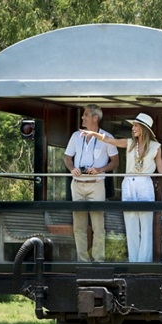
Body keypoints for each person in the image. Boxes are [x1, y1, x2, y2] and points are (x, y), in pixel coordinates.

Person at [82, 113, 162, 262]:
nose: (133, 128)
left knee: (145, 225)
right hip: (129, 183)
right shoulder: (130, 143)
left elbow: (161, 170)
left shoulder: (156, 147)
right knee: (131, 225)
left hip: (145, 184)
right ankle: (134, 262)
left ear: (143, 128)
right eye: (133, 126)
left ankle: (144, 262)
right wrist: (94, 133)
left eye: (136, 126)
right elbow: (111, 141)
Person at [64, 104, 119, 262]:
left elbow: (115, 162)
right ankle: (82, 261)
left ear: (95, 117)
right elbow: (67, 158)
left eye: (86, 115)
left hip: (96, 184)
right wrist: (72, 168)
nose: (82, 117)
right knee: (79, 225)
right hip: (77, 184)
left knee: (98, 226)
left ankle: (99, 260)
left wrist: (100, 169)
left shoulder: (106, 137)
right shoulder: (75, 136)